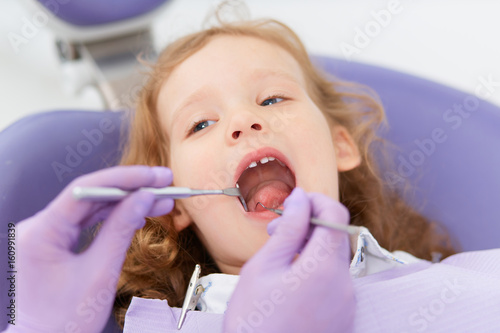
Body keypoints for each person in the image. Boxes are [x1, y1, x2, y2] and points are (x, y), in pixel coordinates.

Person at [6, 11, 500, 333]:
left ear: (339, 145)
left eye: (272, 98)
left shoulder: (463, 279)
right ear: (176, 203)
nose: (244, 120)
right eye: (200, 123)